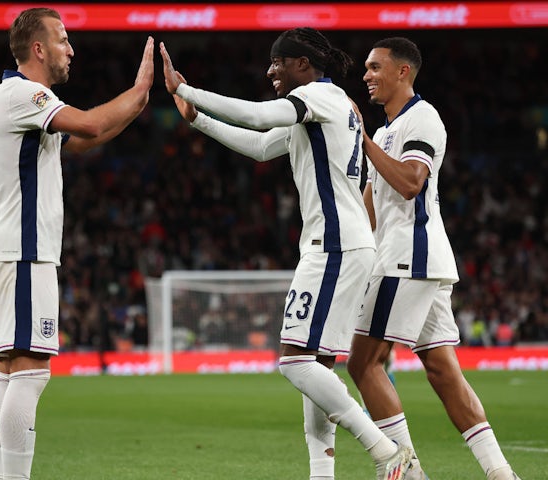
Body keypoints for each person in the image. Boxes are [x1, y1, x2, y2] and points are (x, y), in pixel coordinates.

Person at [161, 27, 413, 480]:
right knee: (315, 366)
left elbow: (259, 118)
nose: (270, 70)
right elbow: (261, 147)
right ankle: (322, 474)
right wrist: (197, 118)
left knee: (294, 360)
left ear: (302, 64)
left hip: (335, 245)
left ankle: (384, 449)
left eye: (278, 62)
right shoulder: (326, 109)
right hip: (342, 244)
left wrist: (185, 87)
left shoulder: (320, 97)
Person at [0, 7, 153, 479]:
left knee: (11, 373)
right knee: (31, 373)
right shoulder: (25, 93)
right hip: (22, 250)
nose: (70, 49)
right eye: (62, 39)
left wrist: (137, 106)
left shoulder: (18, 102)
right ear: (38, 49)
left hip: (9, 249)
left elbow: (82, 141)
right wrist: (138, 91)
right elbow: (91, 125)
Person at [346, 37, 521, 480]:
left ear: (403, 71)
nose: (366, 75)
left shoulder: (422, 118)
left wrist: (363, 141)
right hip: (414, 260)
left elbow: (410, 182)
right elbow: (373, 202)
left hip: (408, 258)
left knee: (363, 363)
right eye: (366, 68)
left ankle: (406, 473)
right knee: (443, 372)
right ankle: (502, 474)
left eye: (374, 67)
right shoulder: (386, 131)